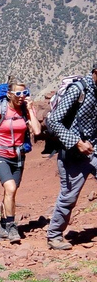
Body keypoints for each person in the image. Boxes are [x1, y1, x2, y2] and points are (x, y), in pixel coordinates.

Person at [0, 78, 41, 243]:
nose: (22, 96)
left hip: (19, 157)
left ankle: (2, 225)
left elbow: (36, 130)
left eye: (25, 93)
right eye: (18, 93)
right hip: (0, 155)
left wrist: (30, 110)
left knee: (10, 193)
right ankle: (12, 227)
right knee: (11, 187)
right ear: (9, 94)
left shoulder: (26, 110)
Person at [45, 66, 97, 250]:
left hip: (94, 147)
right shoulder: (79, 89)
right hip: (73, 152)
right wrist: (77, 142)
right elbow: (54, 121)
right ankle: (55, 235)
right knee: (69, 196)